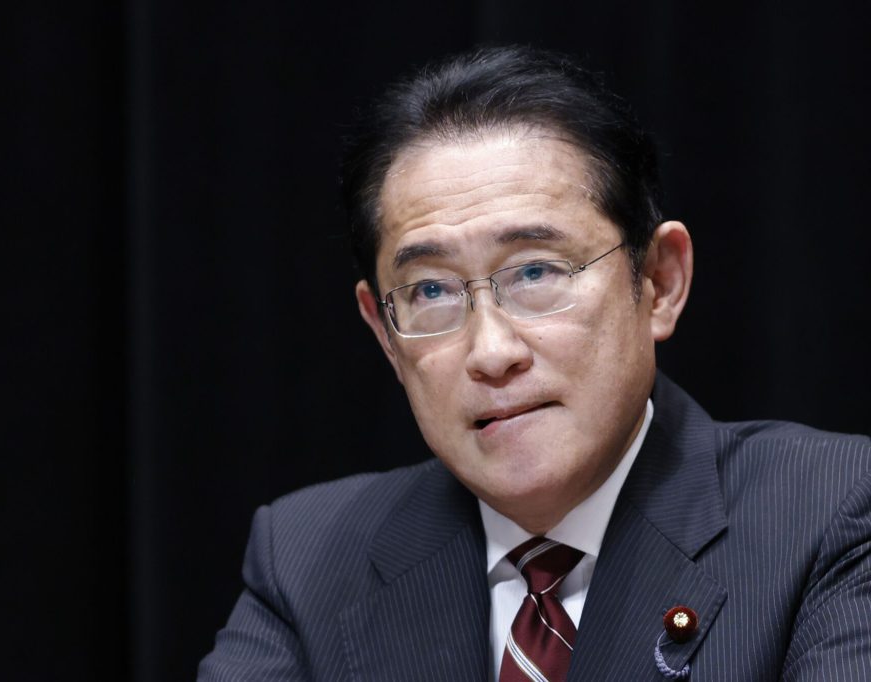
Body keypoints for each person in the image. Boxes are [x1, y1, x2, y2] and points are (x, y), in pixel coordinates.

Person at [198, 45, 871, 681]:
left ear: (659, 282)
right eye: (430, 291)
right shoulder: (305, 559)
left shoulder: (830, 515)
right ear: (384, 335)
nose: (492, 353)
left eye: (536, 272)